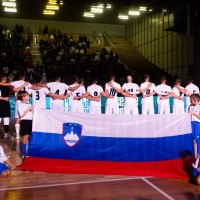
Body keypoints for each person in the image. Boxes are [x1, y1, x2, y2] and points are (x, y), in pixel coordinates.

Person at [0, 73, 31, 140]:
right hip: (23, 101)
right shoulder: (27, 83)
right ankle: (26, 134)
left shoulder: (13, 83)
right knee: (26, 117)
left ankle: (16, 135)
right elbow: (15, 90)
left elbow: (14, 89)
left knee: (15, 118)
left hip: (16, 101)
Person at [17, 91, 34, 159]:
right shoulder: (20, 105)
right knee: (25, 138)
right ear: (23, 97)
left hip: (31, 121)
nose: (28, 96)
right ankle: (24, 154)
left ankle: (29, 152)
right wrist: (28, 109)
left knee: (30, 138)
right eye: (27, 95)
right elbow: (21, 115)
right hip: (24, 122)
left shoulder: (29, 104)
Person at [188, 94, 200, 159]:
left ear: (194, 100)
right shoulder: (190, 106)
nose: (190, 101)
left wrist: (194, 114)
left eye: (191, 100)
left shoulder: (199, 107)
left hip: (197, 124)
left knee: (197, 140)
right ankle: (194, 156)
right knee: (193, 140)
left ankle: (198, 155)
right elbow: (188, 115)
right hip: (191, 124)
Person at [0, 74, 11, 139]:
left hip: (5, 104)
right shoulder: (2, 86)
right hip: (2, 103)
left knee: (6, 120)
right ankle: (6, 136)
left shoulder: (7, 86)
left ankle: (6, 136)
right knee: (5, 120)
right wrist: (4, 98)